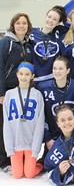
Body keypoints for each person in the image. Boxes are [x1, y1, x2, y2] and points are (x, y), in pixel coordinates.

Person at [0, 13, 33, 171]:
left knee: (18, 126)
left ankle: (19, 157)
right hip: (7, 92)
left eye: (24, 23)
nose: (21, 26)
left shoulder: (28, 44)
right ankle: (4, 161)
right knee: (4, 126)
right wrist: (1, 92)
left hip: (23, 92)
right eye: (18, 23)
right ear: (13, 25)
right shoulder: (6, 42)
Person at [3, 62, 44, 179]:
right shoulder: (9, 94)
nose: (23, 77)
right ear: (17, 75)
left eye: (27, 74)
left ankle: (40, 164)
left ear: (32, 76)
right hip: (16, 142)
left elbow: (40, 123)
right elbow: (6, 123)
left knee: (30, 174)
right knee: (17, 175)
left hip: (31, 142)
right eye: (21, 74)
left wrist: (36, 148)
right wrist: (9, 148)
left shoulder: (37, 95)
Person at [36, 56, 74, 151]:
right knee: (48, 164)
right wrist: (47, 139)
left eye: (61, 68)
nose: (57, 71)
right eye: (55, 68)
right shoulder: (43, 88)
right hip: (53, 138)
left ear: (68, 70)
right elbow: (41, 117)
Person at [30, 5, 68, 83]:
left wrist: (67, 21)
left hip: (52, 80)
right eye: (49, 17)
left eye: (55, 19)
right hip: (34, 80)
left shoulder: (60, 33)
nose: (50, 20)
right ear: (45, 17)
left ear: (58, 23)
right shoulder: (31, 32)